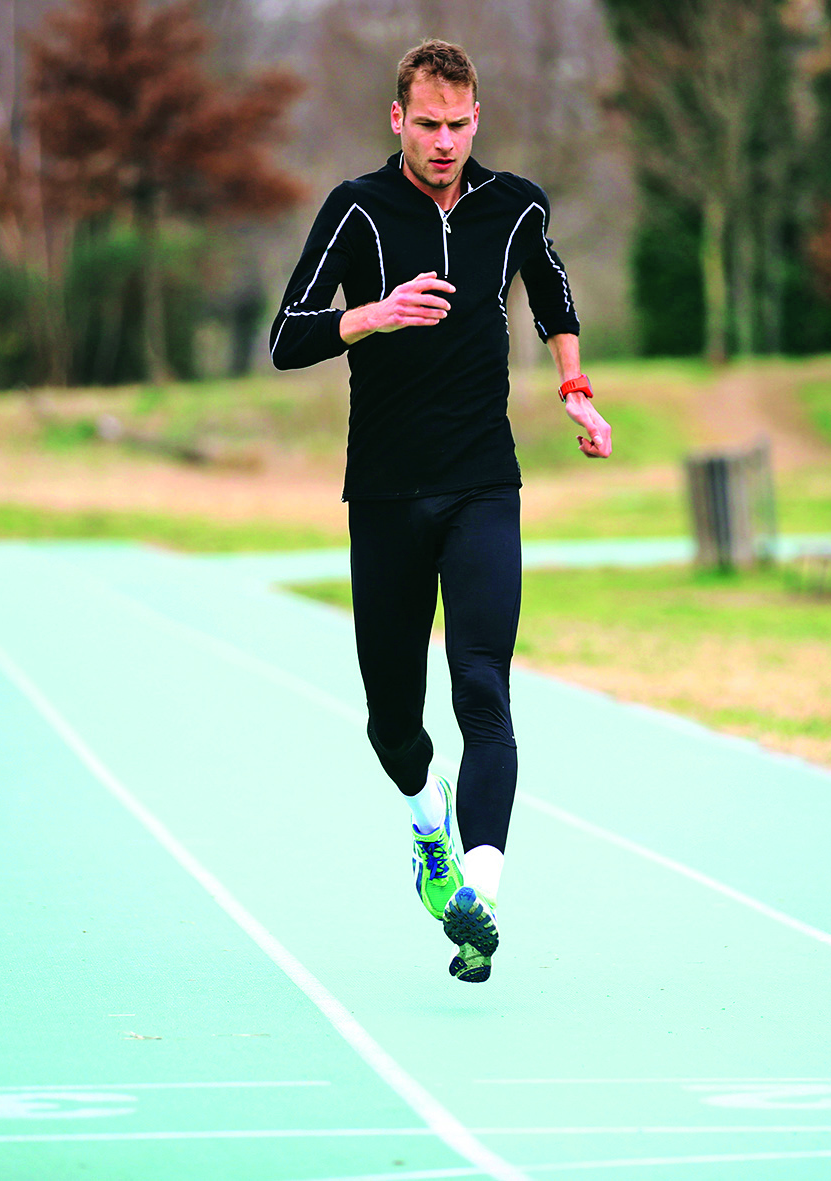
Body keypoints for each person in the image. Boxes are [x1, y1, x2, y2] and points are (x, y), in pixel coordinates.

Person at [270, 39, 610, 983]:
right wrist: (371, 316)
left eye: (461, 124)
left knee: (484, 689)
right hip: (382, 494)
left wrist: (574, 386)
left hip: (480, 485)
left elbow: (551, 290)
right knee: (393, 722)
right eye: (429, 124)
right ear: (398, 119)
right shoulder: (356, 210)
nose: (447, 141)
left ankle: (480, 897)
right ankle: (430, 832)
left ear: (477, 120)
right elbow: (285, 336)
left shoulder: (517, 204)